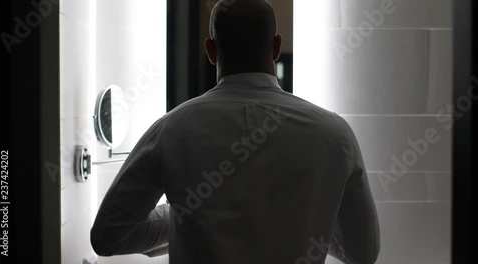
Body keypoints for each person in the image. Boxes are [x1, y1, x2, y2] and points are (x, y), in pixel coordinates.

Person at [90, 0, 380, 263]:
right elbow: (363, 252)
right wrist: (310, 217)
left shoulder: (171, 129)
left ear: (211, 51)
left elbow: (108, 236)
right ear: (276, 47)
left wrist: (184, 212)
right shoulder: (334, 133)